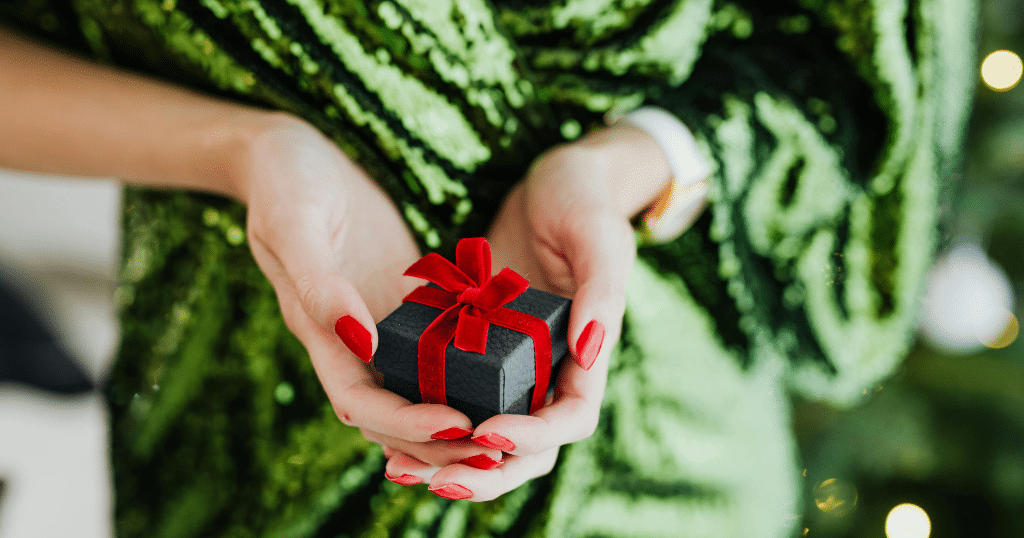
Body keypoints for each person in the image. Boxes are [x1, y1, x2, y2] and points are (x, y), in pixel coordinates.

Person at [0, 0, 975, 536]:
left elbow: (841, 67)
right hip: (244, 435)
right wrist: (241, 149)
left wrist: (626, 162)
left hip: (666, 462)